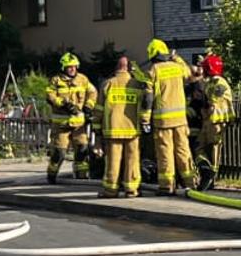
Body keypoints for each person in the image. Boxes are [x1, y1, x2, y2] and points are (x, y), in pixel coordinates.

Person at [143, 39, 194, 194]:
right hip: (180, 120)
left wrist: (145, 119)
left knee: (165, 153)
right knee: (183, 150)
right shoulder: (178, 68)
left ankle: (167, 186)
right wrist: (176, 57)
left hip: (162, 121)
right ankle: (190, 182)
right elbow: (189, 73)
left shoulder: (152, 71)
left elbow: (148, 99)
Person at [96, 56, 147, 198]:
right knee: (133, 160)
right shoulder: (136, 84)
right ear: (128, 68)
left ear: (117, 67)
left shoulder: (107, 84)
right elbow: (144, 105)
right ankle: (132, 190)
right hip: (132, 129)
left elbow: (99, 109)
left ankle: (110, 190)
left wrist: (96, 128)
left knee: (113, 160)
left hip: (113, 130)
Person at [44, 52, 97, 184]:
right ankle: (51, 175)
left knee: (82, 150)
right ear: (63, 68)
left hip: (79, 125)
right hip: (61, 125)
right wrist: (63, 104)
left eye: (74, 66)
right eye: (69, 67)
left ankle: (82, 177)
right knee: (59, 153)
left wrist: (88, 107)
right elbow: (49, 95)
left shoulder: (83, 79)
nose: (72, 69)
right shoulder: (56, 80)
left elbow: (93, 92)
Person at [194, 54, 234, 190]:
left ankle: (211, 177)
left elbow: (213, 103)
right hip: (210, 121)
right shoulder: (211, 82)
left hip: (217, 121)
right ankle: (208, 173)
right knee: (200, 147)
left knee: (213, 150)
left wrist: (206, 109)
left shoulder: (219, 83)